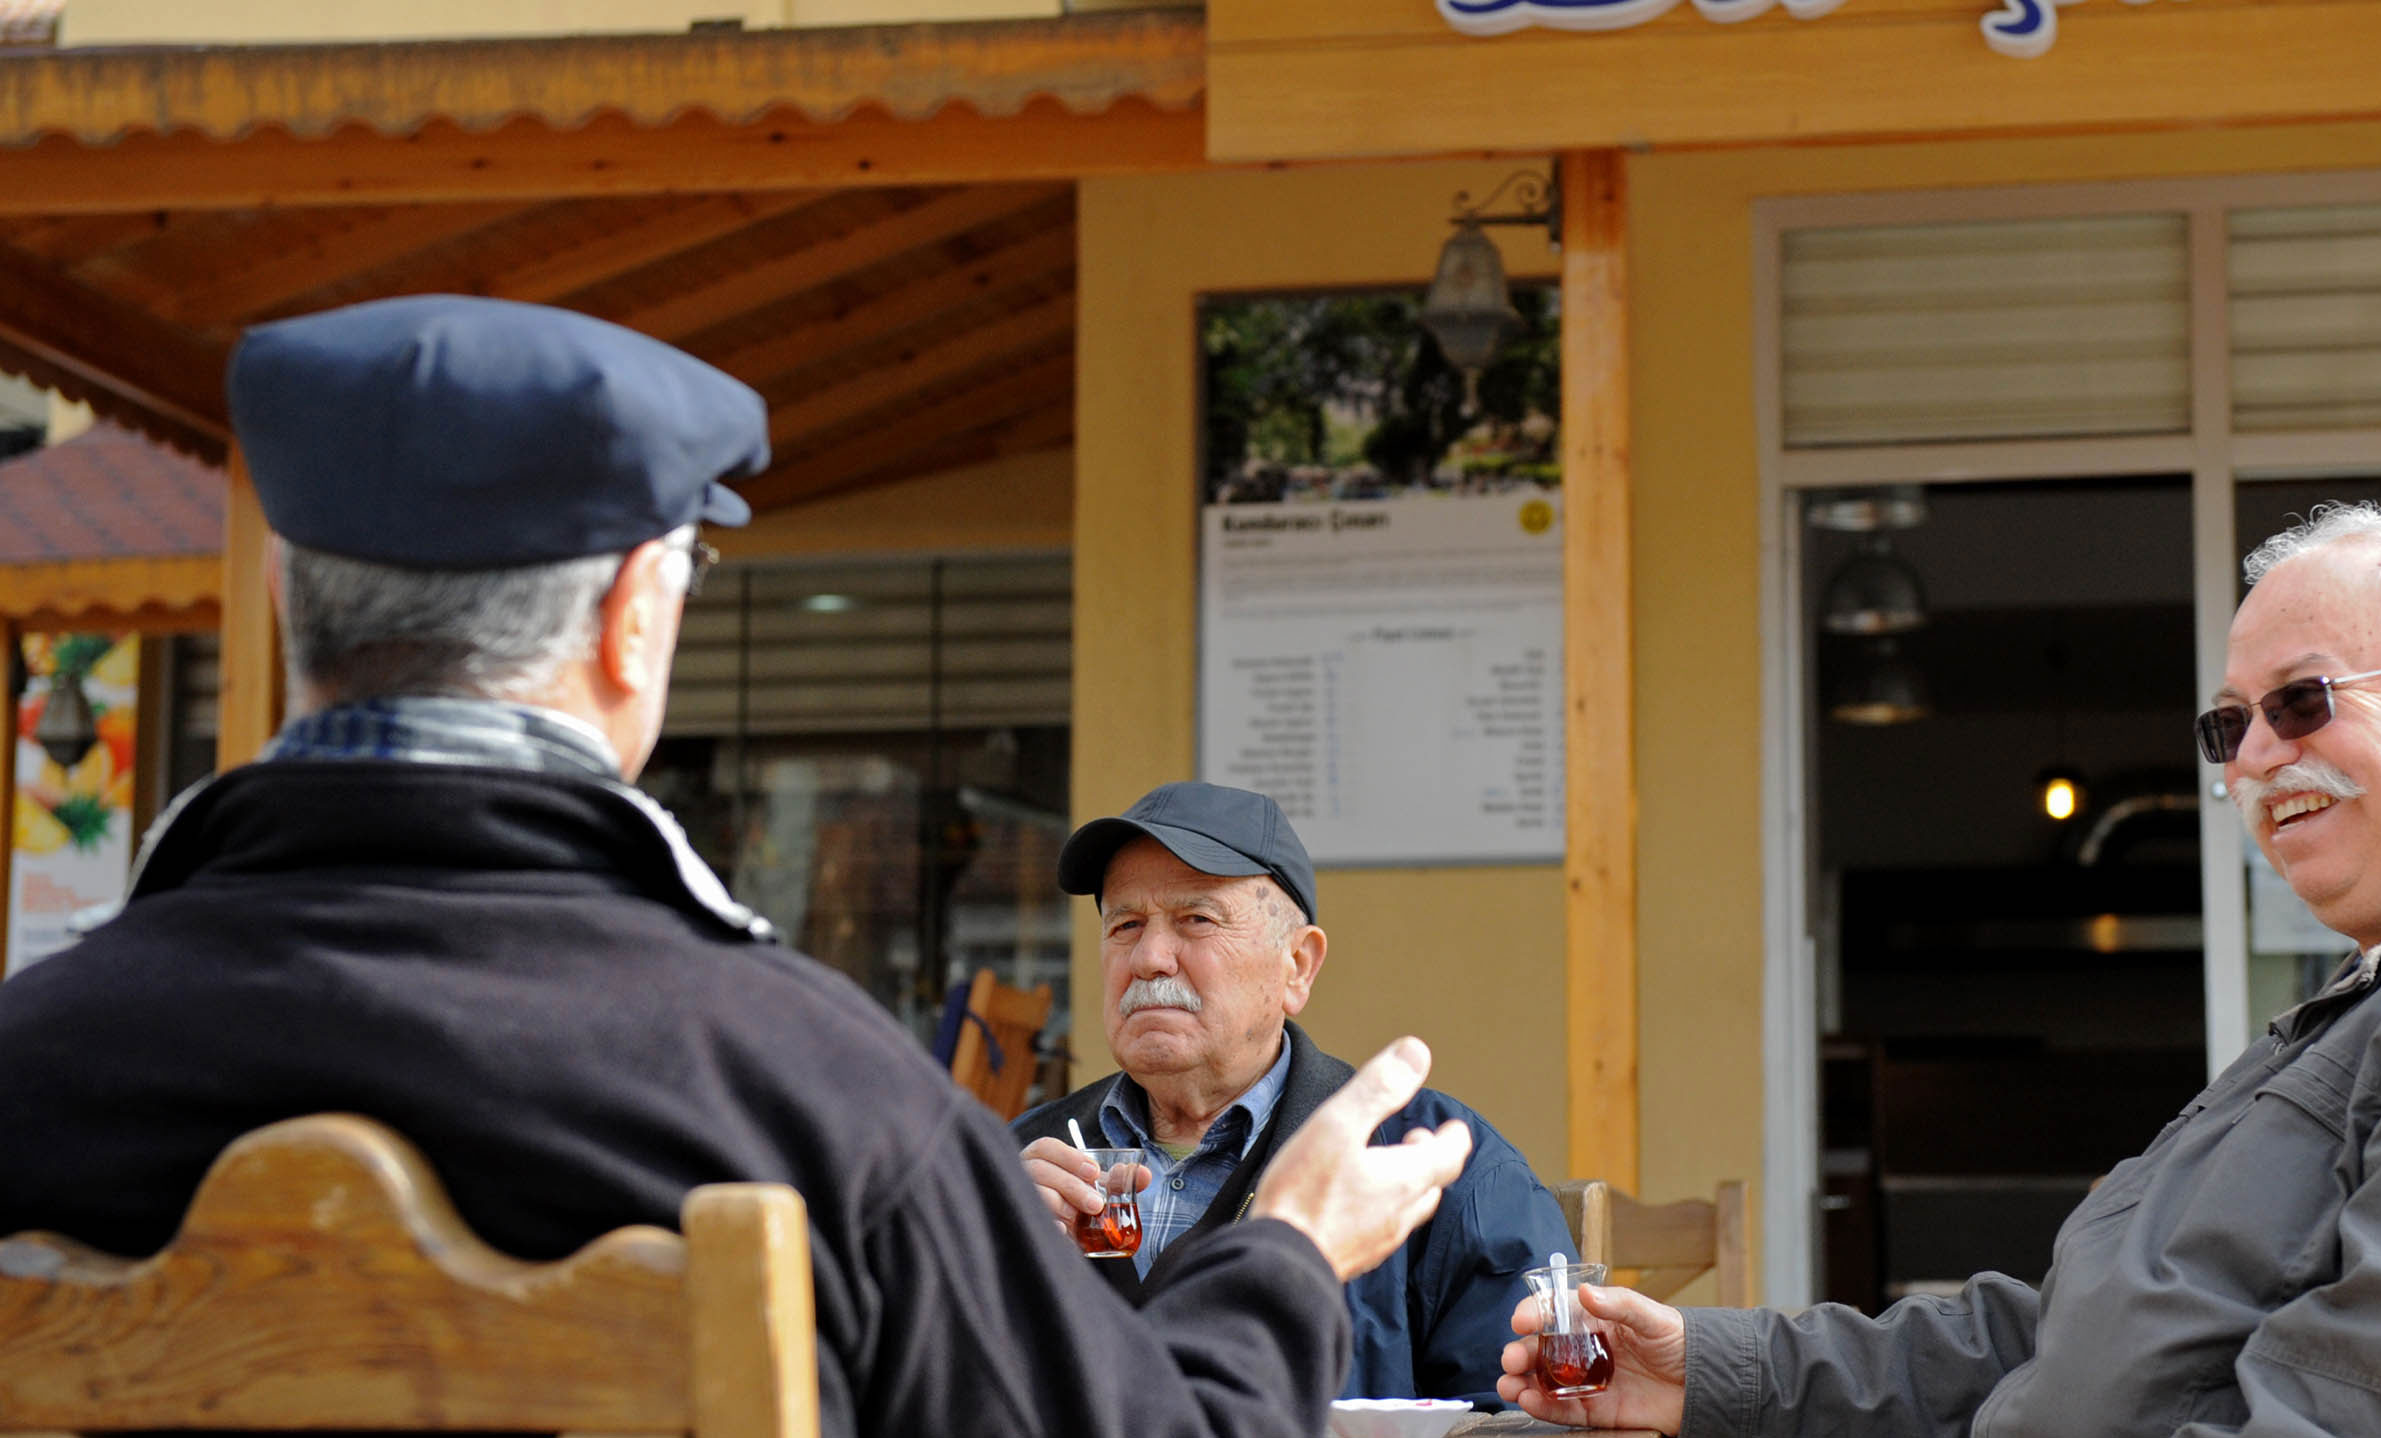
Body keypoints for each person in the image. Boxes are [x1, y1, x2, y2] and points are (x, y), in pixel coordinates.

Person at [0, 295, 1472, 1438]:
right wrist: (1282, 1246)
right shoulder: (803, 1088)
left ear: (278, 597)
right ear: (635, 613)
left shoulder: (38, 1054)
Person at [1500, 503, 2381, 1438]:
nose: (2245, 760)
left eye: (2300, 700)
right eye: (2225, 725)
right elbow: (2074, 1333)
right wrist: (1714, 1372)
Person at [1014, 781, 1577, 1402]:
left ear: (1298, 966)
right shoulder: (1019, 1161)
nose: (1149, 957)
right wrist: (985, 1256)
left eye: (1196, 919)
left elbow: (1528, 1420)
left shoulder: (1432, 1171)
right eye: (1125, 924)